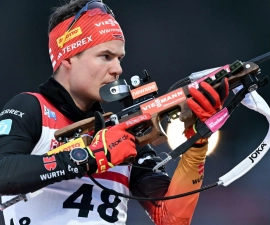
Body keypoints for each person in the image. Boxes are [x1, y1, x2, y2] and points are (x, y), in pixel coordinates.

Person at [0, 0, 229, 224]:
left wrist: (196, 144)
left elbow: (172, 217)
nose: (117, 69)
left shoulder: (120, 132)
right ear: (68, 57)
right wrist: (87, 157)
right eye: (105, 56)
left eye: (119, 58)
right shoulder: (31, 108)